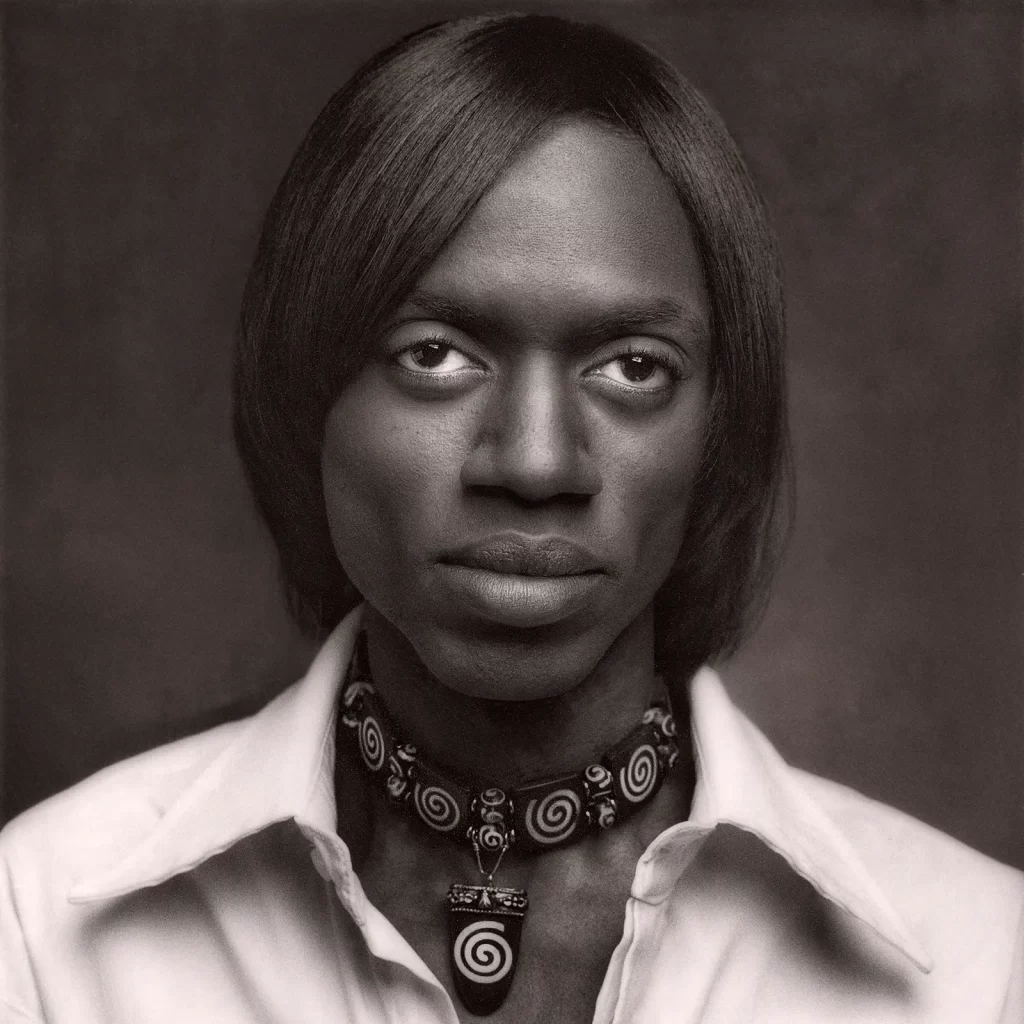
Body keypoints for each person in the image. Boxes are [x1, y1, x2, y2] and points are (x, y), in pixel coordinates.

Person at [1, 13, 1020, 1024]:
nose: (536, 463)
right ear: (307, 398)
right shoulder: (40, 926)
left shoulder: (981, 966)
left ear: (720, 428)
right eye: (435, 353)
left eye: (633, 368)